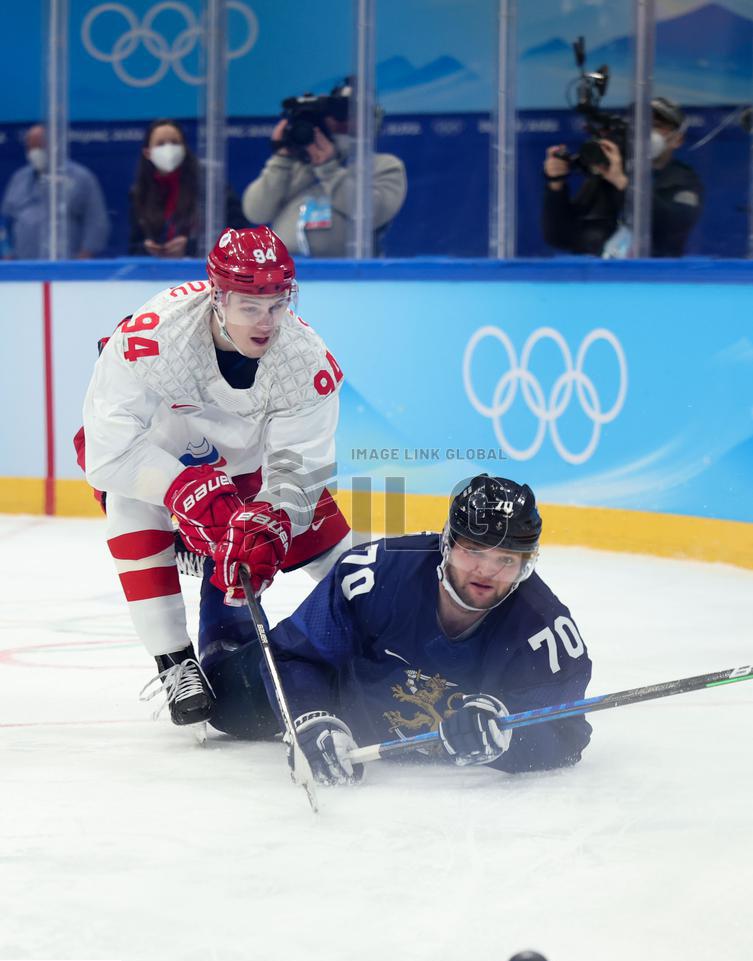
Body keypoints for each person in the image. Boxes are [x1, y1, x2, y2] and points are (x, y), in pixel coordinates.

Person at [80, 226, 350, 732]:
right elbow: (107, 449)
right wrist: (180, 489)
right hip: (157, 461)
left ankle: (378, 631)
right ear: (218, 297)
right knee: (127, 505)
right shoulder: (154, 337)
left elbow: (299, 467)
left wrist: (271, 521)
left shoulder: (305, 360)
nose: (266, 322)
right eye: (250, 307)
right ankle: (173, 660)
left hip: (248, 468)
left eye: (276, 305)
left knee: (339, 555)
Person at [206, 475, 593, 783]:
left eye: (506, 559)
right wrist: (312, 716)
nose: (487, 571)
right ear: (447, 543)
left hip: (375, 724)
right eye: (474, 550)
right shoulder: (375, 576)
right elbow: (294, 655)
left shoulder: (544, 633)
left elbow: (566, 736)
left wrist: (508, 739)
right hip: (334, 690)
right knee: (218, 701)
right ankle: (216, 570)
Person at [242, 82, 407, 257]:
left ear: (373, 120)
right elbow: (256, 213)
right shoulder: (294, 166)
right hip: (284, 274)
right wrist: (282, 159)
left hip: (350, 275)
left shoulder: (384, 166)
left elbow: (371, 212)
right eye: (337, 112)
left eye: (354, 113)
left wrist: (328, 169)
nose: (344, 120)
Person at [541, 97, 703, 258]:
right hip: (604, 277)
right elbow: (559, 236)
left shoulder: (684, 181)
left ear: (678, 140)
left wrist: (622, 183)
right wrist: (556, 185)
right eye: (640, 125)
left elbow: (670, 228)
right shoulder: (610, 173)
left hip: (654, 277)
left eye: (657, 126)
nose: (645, 133)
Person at [129, 118, 246, 257]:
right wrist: (147, 249)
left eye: (175, 142)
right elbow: (134, 246)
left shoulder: (208, 184)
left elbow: (238, 231)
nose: (168, 149)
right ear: (147, 153)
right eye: (160, 144)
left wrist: (191, 247)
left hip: (204, 268)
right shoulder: (140, 192)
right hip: (156, 274)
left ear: (184, 148)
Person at [0, 124, 109, 259]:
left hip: (65, 267)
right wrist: (6, 252)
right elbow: (4, 221)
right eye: (30, 148)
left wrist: (84, 256)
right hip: (24, 267)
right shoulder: (18, 179)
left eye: (39, 146)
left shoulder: (81, 178)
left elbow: (96, 221)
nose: (34, 152)